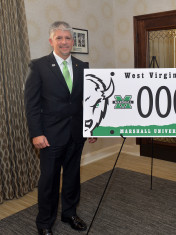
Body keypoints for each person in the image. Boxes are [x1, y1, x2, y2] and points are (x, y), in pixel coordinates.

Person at [25, 21, 97, 235]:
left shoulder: (82, 66)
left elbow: (89, 100)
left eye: (67, 38)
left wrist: (91, 126)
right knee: (49, 181)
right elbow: (31, 104)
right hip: (49, 136)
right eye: (59, 38)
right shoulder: (38, 66)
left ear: (72, 41)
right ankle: (44, 223)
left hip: (76, 133)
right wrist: (36, 133)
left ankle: (69, 214)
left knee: (73, 177)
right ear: (51, 41)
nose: (64, 42)